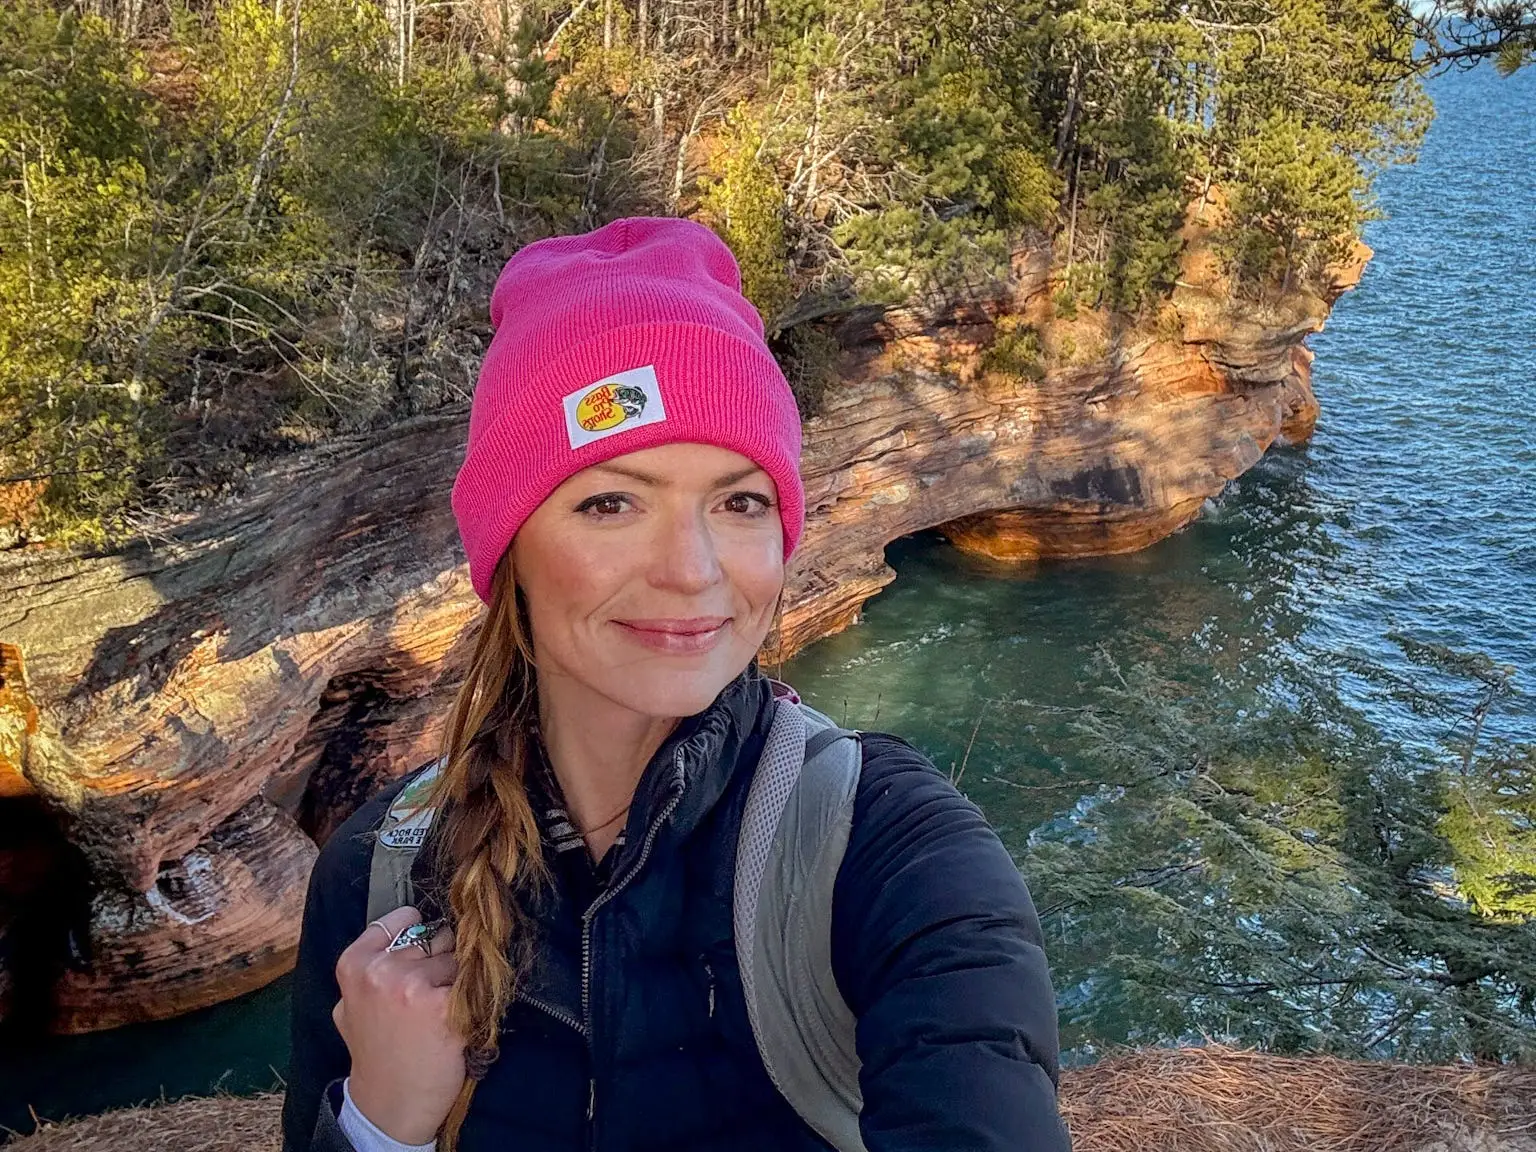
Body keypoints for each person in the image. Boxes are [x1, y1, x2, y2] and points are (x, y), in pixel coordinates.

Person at [279, 215, 1071, 1152]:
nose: (693, 570)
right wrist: (379, 1125)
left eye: (739, 502)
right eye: (611, 502)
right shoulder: (377, 877)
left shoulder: (888, 851)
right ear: (511, 549)